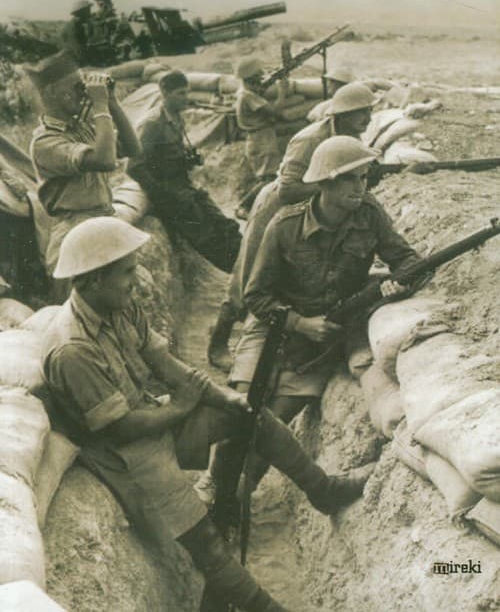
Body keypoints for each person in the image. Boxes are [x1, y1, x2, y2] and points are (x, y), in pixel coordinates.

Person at [42, 216, 373, 612]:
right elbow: (121, 428)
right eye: (127, 272)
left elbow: (167, 366)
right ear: (95, 279)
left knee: (250, 415)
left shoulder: (119, 307)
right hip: (124, 455)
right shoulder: (73, 350)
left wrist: (222, 397)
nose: (136, 279)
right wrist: (180, 408)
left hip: (154, 419)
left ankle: (323, 490)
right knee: (207, 545)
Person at [202, 136, 418, 516]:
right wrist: (300, 323)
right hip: (272, 326)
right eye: (350, 179)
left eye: (363, 177)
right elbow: (256, 296)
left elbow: (408, 260)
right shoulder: (285, 226)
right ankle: (212, 487)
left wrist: (399, 284)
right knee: (240, 410)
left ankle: (236, 499)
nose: (360, 187)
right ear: (325, 184)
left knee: (277, 419)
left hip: (321, 343)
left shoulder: (369, 215)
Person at [207, 82, 376, 371]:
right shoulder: (310, 139)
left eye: (369, 111)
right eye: (361, 112)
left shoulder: (351, 138)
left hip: (308, 213)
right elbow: (287, 190)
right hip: (276, 209)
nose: (368, 118)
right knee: (248, 275)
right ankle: (219, 340)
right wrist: (332, 186)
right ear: (342, 114)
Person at [28, 51, 140, 297]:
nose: (82, 93)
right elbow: (105, 160)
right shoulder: (45, 141)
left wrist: (112, 103)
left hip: (102, 220)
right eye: (75, 87)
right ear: (51, 92)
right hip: (74, 231)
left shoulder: (83, 128)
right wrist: (99, 107)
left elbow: (133, 149)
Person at [128, 69, 241, 273]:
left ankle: (248, 263)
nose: (186, 97)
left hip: (184, 185)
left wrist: (188, 159)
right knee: (207, 236)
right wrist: (163, 195)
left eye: (187, 92)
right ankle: (238, 272)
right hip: (169, 192)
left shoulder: (176, 117)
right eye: (180, 93)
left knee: (225, 224)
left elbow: (170, 154)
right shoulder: (152, 124)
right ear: (165, 93)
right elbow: (134, 167)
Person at [234, 57, 289, 219]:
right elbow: (275, 111)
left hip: (259, 138)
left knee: (267, 177)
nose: (261, 78)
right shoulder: (248, 96)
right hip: (261, 139)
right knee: (269, 178)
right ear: (251, 77)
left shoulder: (245, 93)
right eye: (258, 76)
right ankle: (243, 206)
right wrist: (282, 91)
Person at [59, 0, 93, 66]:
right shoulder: (73, 28)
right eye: (88, 11)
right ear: (81, 12)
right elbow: (77, 50)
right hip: (71, 62)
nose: (90, 14)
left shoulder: (78, 26)